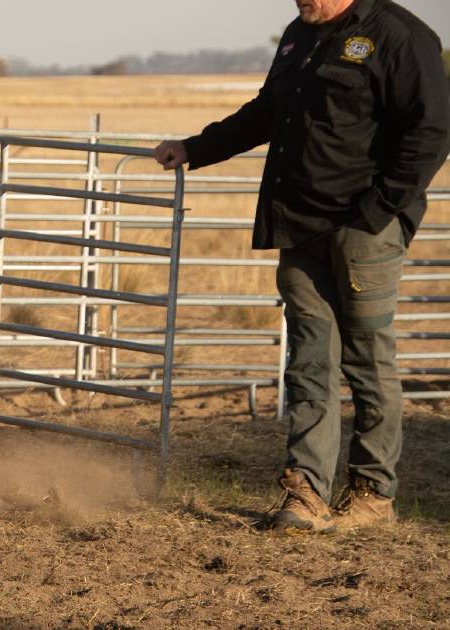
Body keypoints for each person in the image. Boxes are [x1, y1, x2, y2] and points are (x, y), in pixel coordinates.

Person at [154, 0, 450, 533]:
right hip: (298, 224)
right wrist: (196, 147)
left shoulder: (401, 36)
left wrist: (378, 211)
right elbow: (267, 112)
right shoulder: (299, 33)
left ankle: (372, 493)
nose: (300, 0)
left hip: (363, 229)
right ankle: (308, 491)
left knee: (366, 360)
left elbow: (430, 131)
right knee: (309, 359)